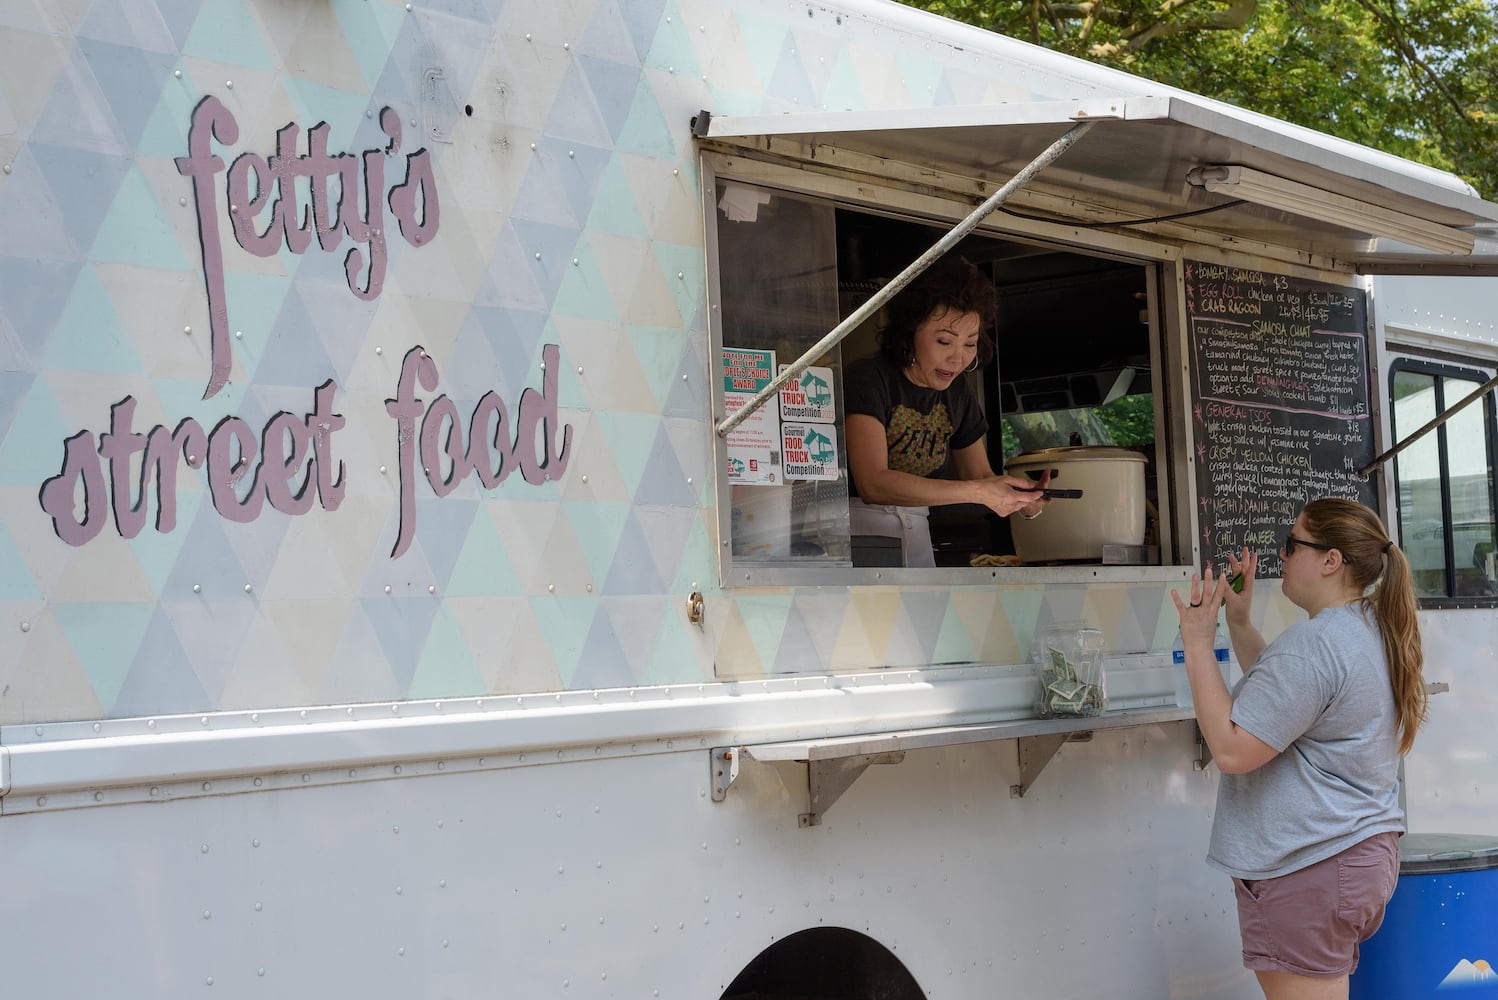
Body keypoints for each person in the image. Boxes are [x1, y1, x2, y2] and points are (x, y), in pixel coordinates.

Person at [1172, 498, 1428, 1000]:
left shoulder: (1314, 645)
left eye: (1291, 545)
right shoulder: (1368, 628)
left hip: (1310, 865)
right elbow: (1288, 702)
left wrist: (1199, 642)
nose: (1280, 557)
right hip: (1352, 855)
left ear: (1330, 561)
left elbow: (1231, 749)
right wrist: (1240, 624)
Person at [843, 256, 1047, 567]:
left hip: (919, 538)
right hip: (856, 535)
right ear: (908, 333)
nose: (958, 359)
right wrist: (979, 491)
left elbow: (979, 476)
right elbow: (874, 484)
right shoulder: (869, 379)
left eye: (970, 344)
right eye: (944, 341)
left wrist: (1021, 499)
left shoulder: (956, 392)